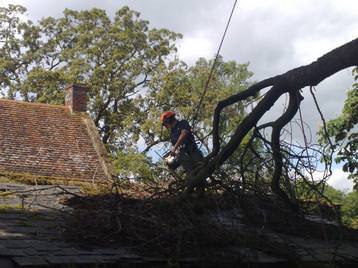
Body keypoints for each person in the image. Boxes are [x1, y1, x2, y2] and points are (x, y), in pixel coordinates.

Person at [160, 111, 204, 175]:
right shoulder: (172, 134)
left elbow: (184, 133)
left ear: (168, 120)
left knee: (201, 169)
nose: (165, 126)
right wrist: (172, 154)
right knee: (192, 175)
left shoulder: (182, 123)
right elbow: (177, 148)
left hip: (193, 151)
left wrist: (174, 147)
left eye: (165, 123)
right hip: (184, 156)